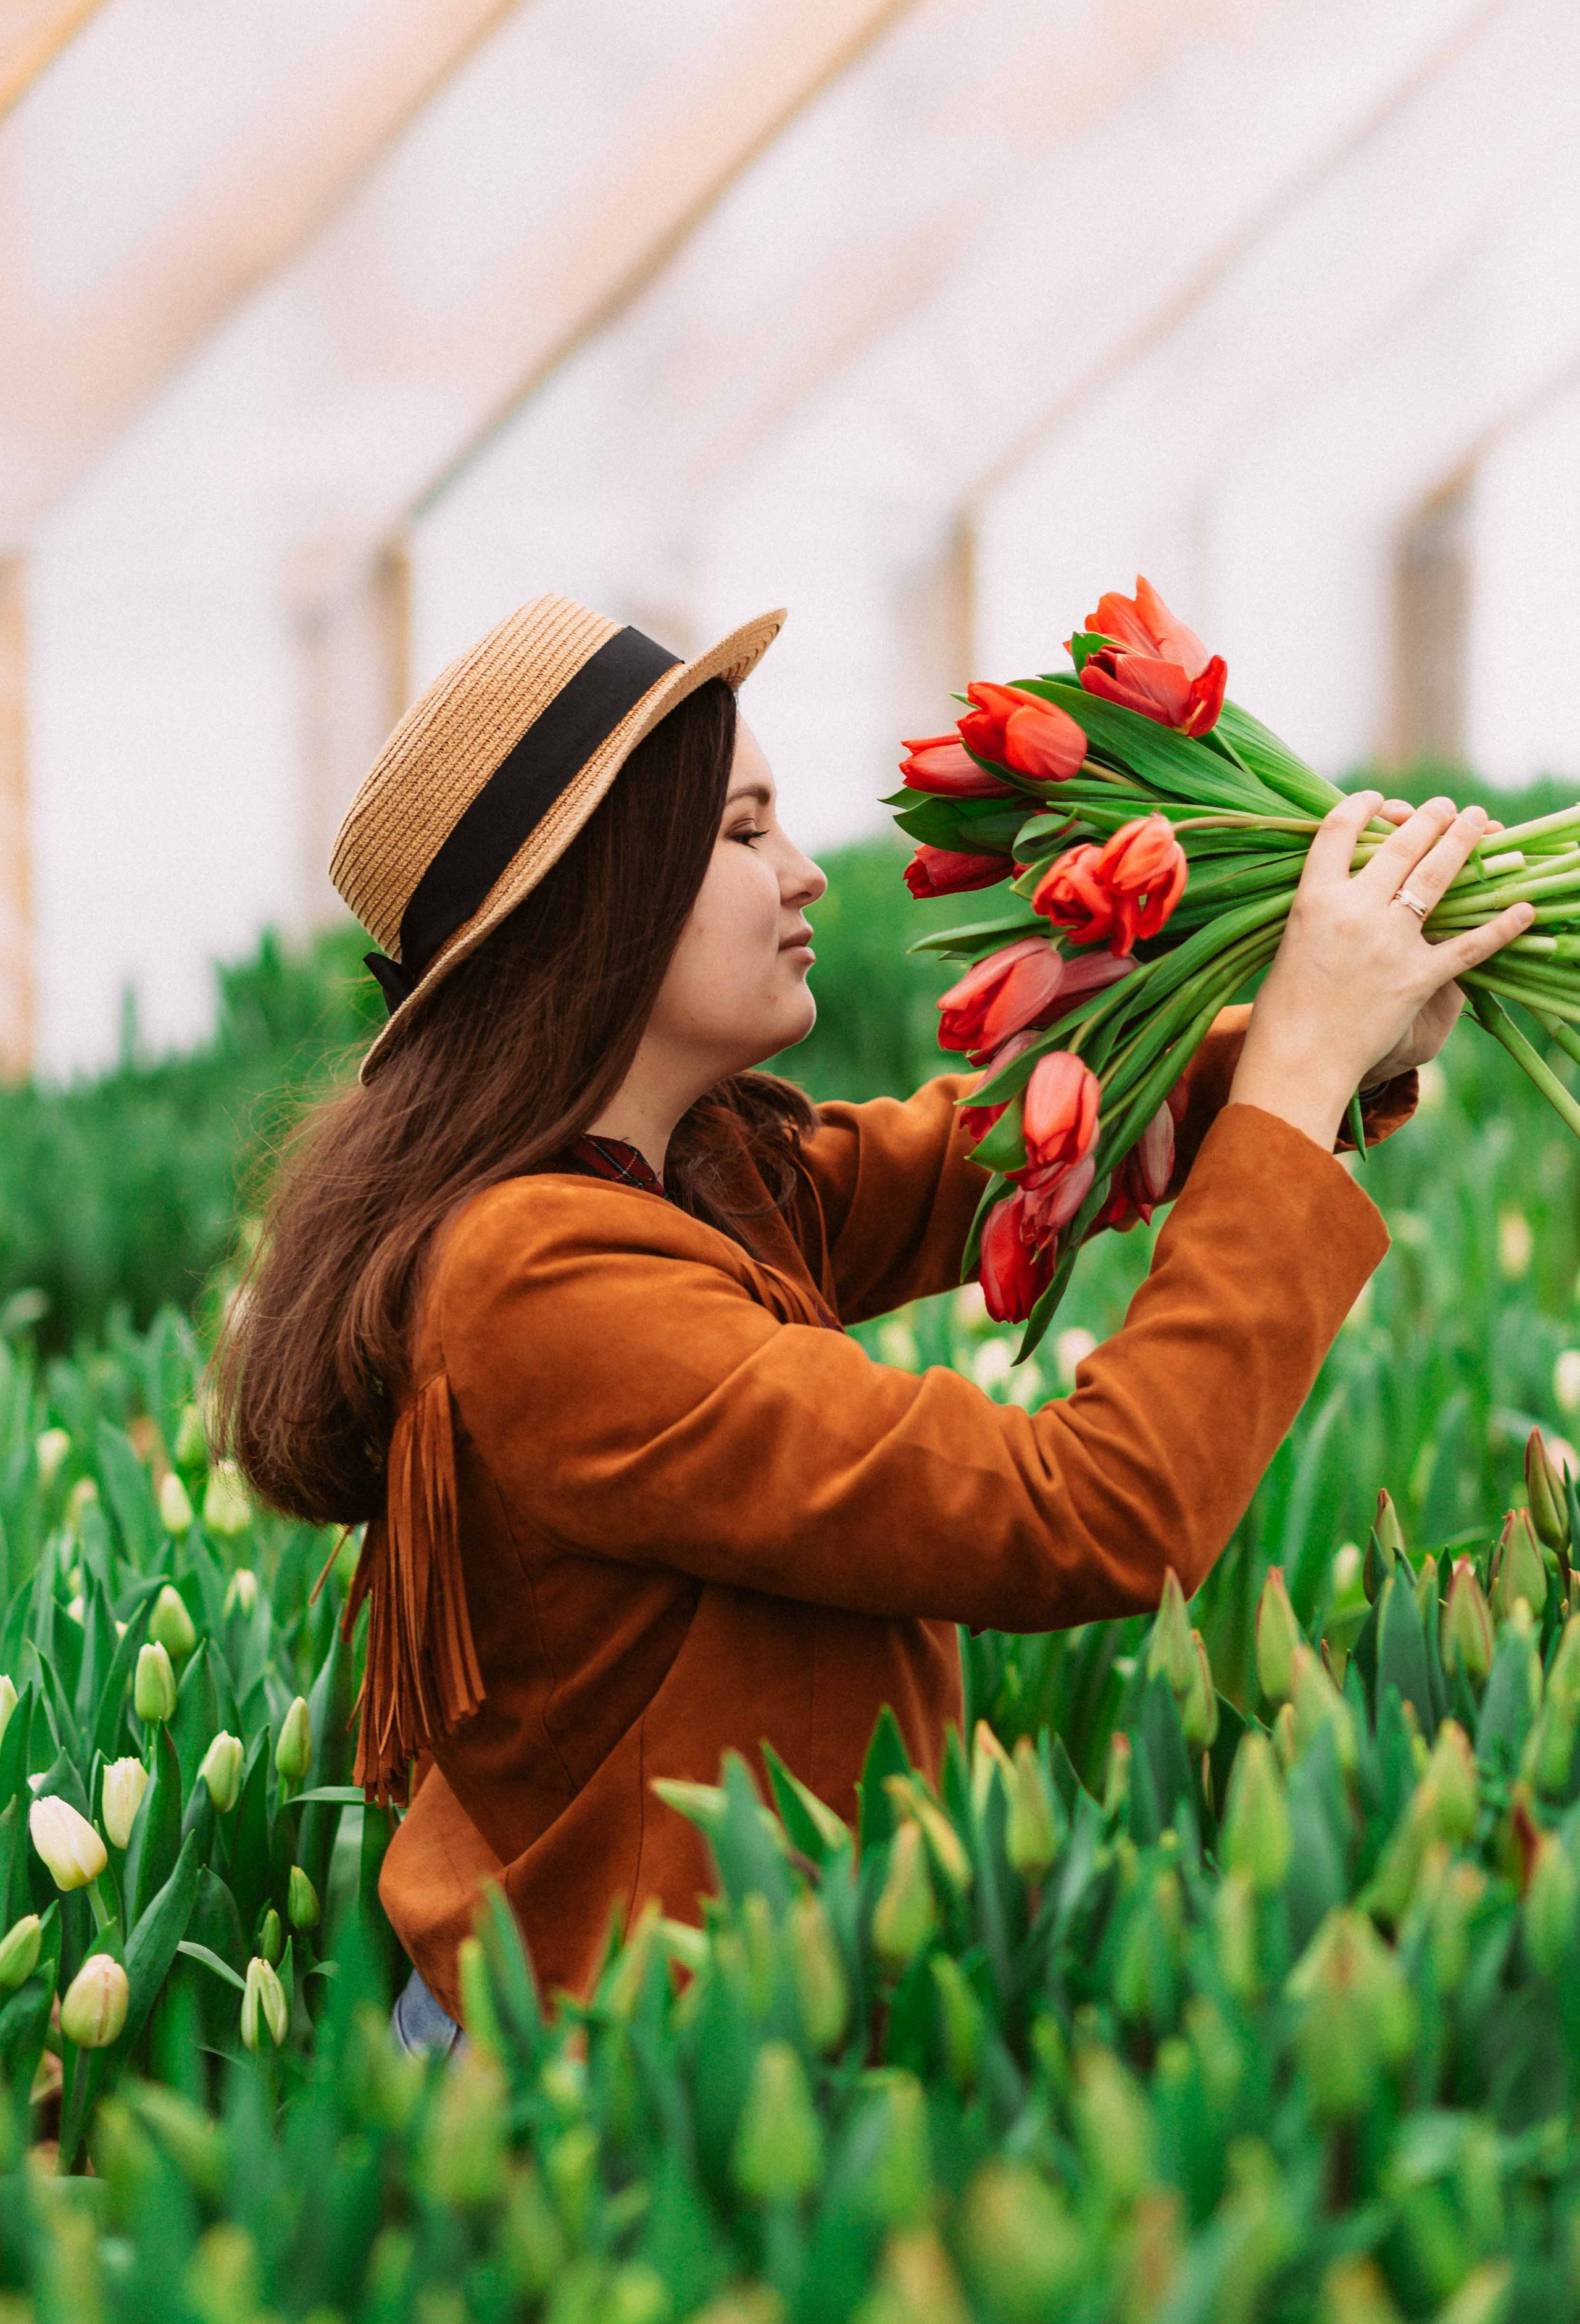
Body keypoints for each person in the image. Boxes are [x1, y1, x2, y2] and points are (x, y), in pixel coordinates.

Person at [215, 593, 1532, 2051]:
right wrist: (1292, 1070)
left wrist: (1339, 1034)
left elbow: (990, 1152)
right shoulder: (539, 1279)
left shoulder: (686, 1176)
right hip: (615, 2081)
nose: (803, 874)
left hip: (696, 2013)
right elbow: (1094, 1512)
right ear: (600, 903)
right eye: (739, 832)